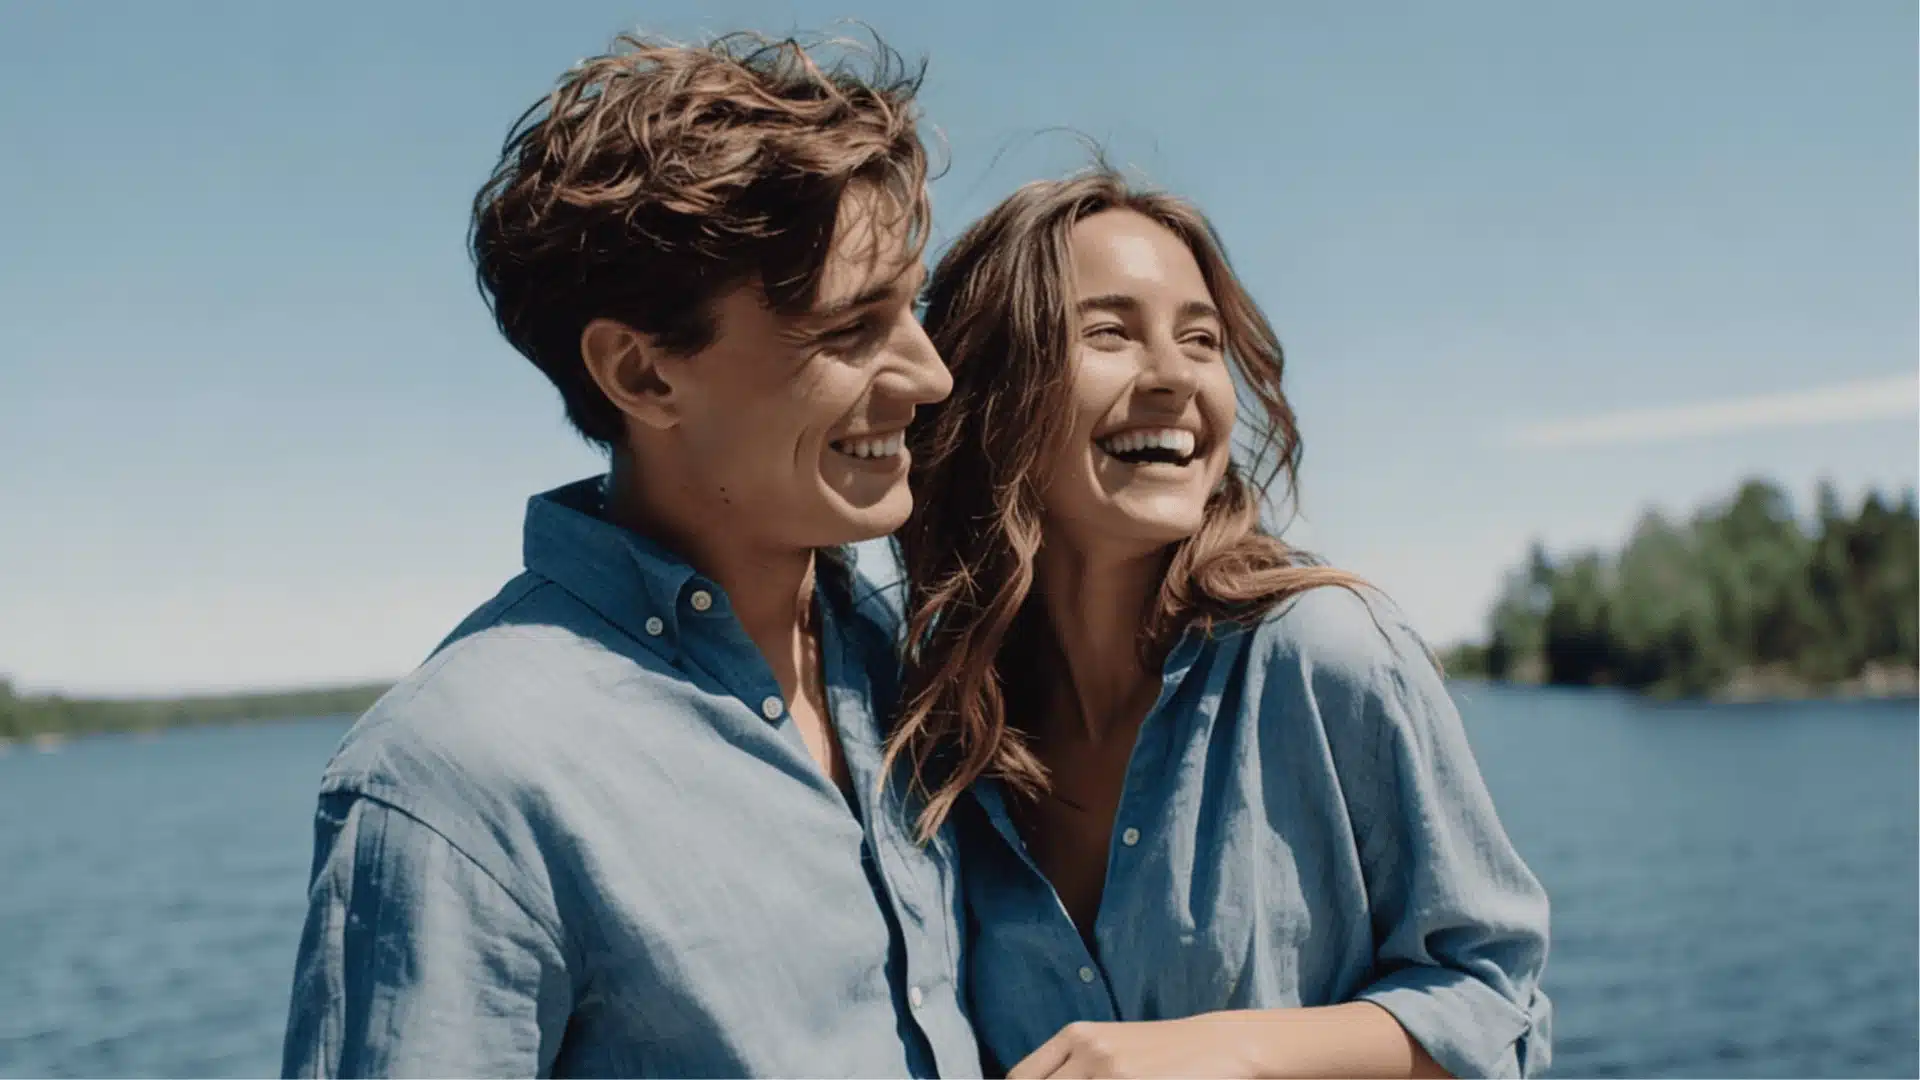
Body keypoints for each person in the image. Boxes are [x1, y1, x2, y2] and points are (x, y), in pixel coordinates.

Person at [280, 30, 981, 1078]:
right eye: (851, 326)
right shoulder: (458, 779)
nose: (928, 375)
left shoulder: (891, 662)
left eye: (910, 307)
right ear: (644, 376)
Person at [886, 167, 1552, 1079]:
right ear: (993, 385)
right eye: (1109, 333)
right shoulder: (940, 729)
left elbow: (1497, 1011)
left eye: (1201, 340)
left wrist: (1228, 1052)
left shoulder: (1327, 652)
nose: (1173, 377)